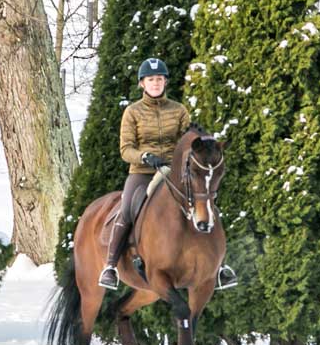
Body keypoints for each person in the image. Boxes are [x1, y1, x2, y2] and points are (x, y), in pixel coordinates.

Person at [99, 58, 238, 291]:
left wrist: (201, 138)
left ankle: (220, 266)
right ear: (142, 83)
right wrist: (145, 157)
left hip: (175, 172)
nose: (156, 83)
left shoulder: (179, 110)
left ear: (165, 82)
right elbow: (125, 149)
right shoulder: (132, 112)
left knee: (205, 203)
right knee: (128, 209)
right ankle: (111, 266)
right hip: (143, 172)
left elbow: (188, 141)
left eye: (160, 79)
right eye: (151, 79)